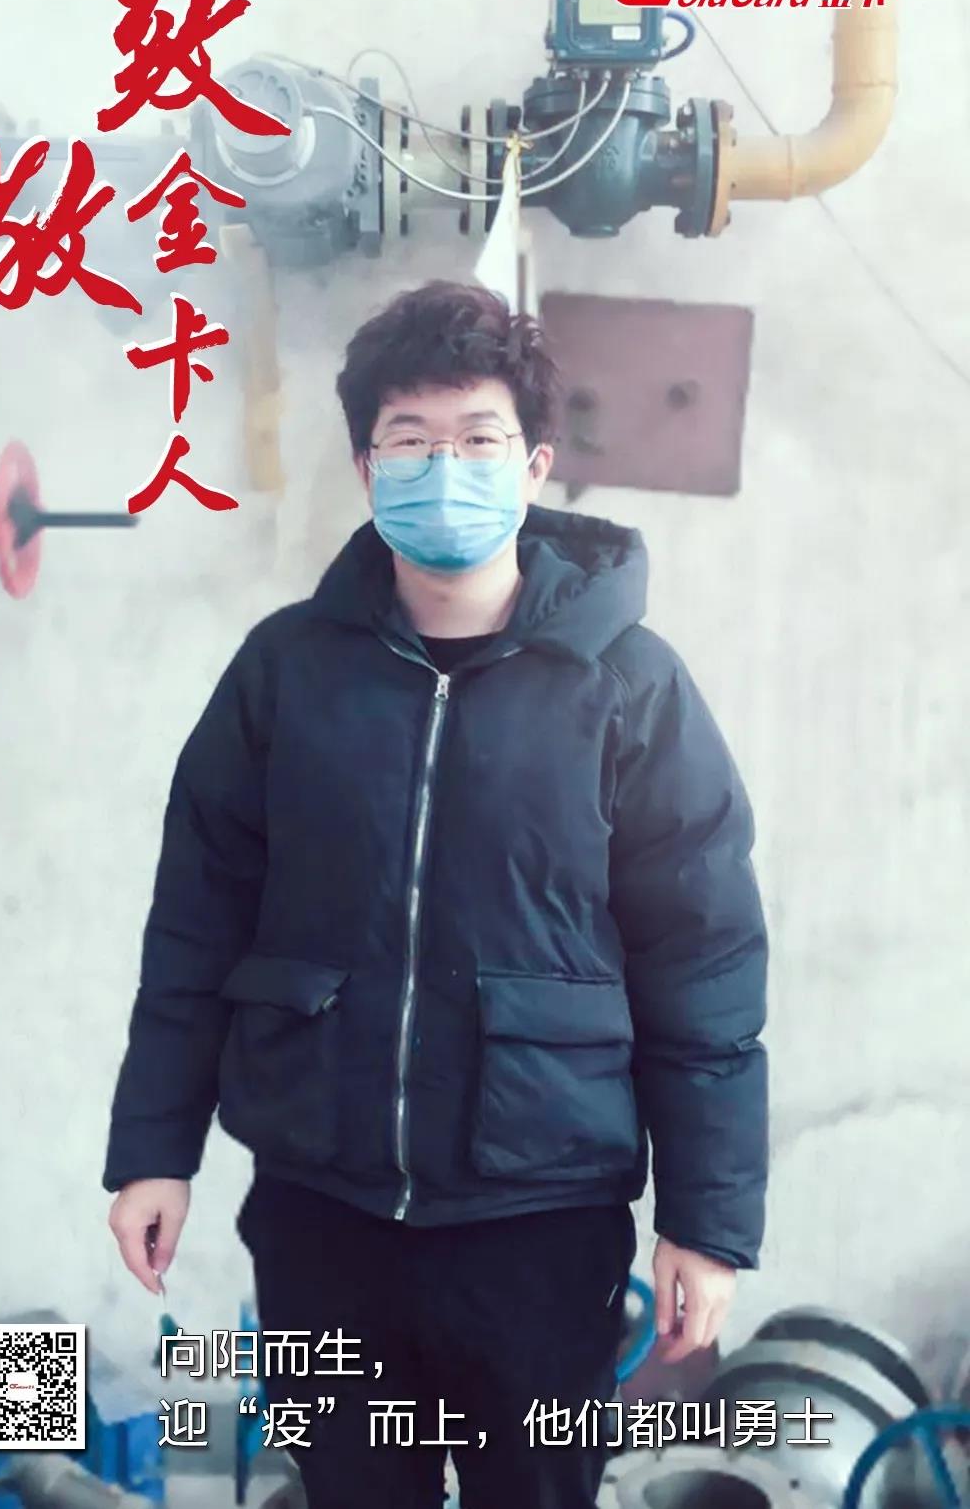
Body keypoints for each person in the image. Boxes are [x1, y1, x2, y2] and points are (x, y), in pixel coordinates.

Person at [104, 279, 768, 1509]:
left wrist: (707, 1222)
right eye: (409, 441)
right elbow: (196, 924)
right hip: (322, 1214)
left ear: (537, 463)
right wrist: (155, 1149)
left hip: (540, 1226)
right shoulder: (286, 674)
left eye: (478, 438)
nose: (442, 469)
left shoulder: (629, 689)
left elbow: (704, 965)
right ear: (367, 469)